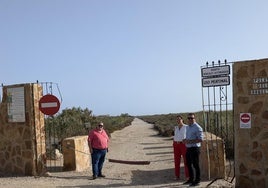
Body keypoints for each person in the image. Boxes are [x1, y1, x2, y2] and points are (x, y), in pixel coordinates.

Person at [183, 113, 203, 187]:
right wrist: (185, 140)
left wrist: (189, 141)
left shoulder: (198, 127)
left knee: (195, 165)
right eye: (189, 118)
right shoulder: (187, 127)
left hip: (195, 148)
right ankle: (191, 179)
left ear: (195, 119)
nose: (190, 119)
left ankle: (197, 180)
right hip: (188, 148)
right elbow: (188, 138)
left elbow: (200, 139)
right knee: (188, 164)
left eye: (192, 118)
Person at [173, 115, 189, 180]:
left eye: (179, 119)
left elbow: (189, 135)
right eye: (177, 120)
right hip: (176, 144)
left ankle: (188, 176)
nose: (178, 121)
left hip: (183, 145)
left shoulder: (186, 127)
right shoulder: (176, 127)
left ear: (182, 120)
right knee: (176, 161)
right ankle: (177, 176)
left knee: (186, 161)